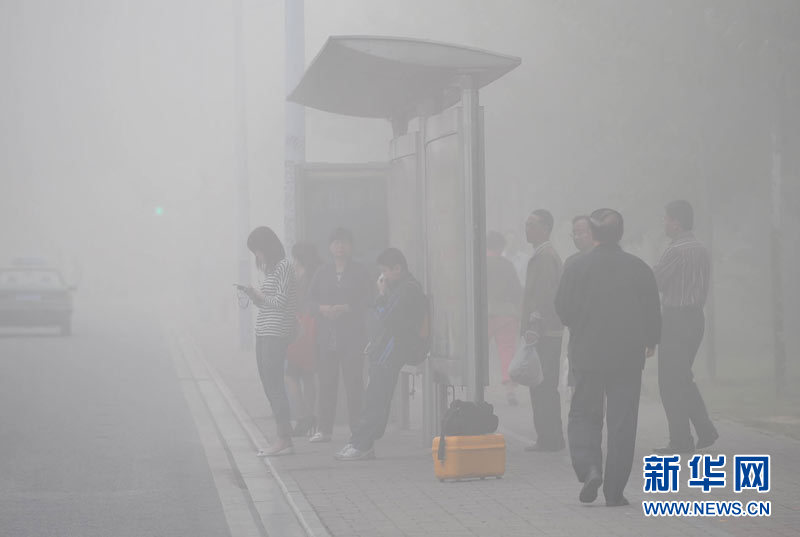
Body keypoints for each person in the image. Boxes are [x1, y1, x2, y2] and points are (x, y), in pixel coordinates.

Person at [555, 208, 661, 506]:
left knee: (583, 413)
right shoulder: (638, 268)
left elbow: (562, 308)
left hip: (587, 353)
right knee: (622, 421)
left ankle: (589, 467)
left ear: (593, 233)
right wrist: (651, 340)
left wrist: (580, 326)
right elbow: (652, 309)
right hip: (627, 355)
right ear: (620, 233)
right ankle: (615, 491)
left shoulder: (577, 267)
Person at [335, 248, 427, 461]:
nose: (383, 276)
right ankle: (360, 441)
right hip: (386, 349)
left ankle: (362, 444)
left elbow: (385, 317)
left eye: (385, 270)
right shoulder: (400, 288)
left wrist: (382, 295)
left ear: (398, 268)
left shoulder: (407, 290)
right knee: (374, 398)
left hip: (393, 350)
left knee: (376, 398)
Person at [653, 200, 718, 454]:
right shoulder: (701, 249)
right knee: (681, 377)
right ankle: (704, 429)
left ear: (676, 223)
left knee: (669, 382)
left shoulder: (675, 250)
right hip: (696, 319)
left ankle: (681, 439)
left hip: (675, 319)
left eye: (666, 219)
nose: (664, 223)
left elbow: (657, 281)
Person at [308, 228, 372, 443]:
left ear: (351, 246)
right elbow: (310, 301)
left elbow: (369, 299)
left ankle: (357, 428)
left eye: (344, 242)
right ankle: (324, 429)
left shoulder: (360, 271)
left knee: (354, 383)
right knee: (326, 383)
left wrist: (348, 307)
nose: (340, 246)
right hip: (327, 337)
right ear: (329, 247)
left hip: (352, 336)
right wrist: (322, 309)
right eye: (336, 242)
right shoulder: (322, 272)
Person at [241, 226, 298, 457]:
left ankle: (284, 439)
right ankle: (283, 437)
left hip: (276, 332)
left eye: (258, 250)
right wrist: (254, 296)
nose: (257, 255)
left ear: (267, 247)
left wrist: (261, 296)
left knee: (274, 386)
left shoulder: (284, 266)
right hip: (264, 330)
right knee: (268, 384)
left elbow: (281, 301)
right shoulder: (271, 270)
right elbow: (267, 303)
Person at [520, 209, 565, 452]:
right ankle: (547, 437)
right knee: (540, 384)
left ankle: (550, 438)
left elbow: (546, 295)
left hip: (545, 331)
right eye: (526, 224)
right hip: (543, 330)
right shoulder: (541, 254)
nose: (527, 229)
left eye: (532, 224)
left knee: (543, 384)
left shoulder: (546, 256)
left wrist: (534, 326)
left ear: (546, 228)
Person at [286, 242, 322, 437]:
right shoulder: (315, 273)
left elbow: (296, 301)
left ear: (299, 257)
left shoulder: (303, 276)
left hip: (300, 327)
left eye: (295, 256)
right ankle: (310, 416)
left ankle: (302, 417)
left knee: (291, 375)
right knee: (307, 375)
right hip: (311, 328)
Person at [486, 230, 522, 405]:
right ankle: (510, 390)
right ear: (500, 247)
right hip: (506, 314)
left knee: (478, 351)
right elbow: (516, 291)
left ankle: (475, 387)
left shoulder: (478, 263)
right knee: (507, 350)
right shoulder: (507, 265)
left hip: (483, 315)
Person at [563, 215, 596, 392]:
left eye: (582, 232)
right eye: (574, 233)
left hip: (601, 333)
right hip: (577, 332)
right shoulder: (570, 262)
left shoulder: (606, 259)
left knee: (597, 383)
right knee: (578, 382)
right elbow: (563, 297)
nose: (577, 237)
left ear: (593, 232)